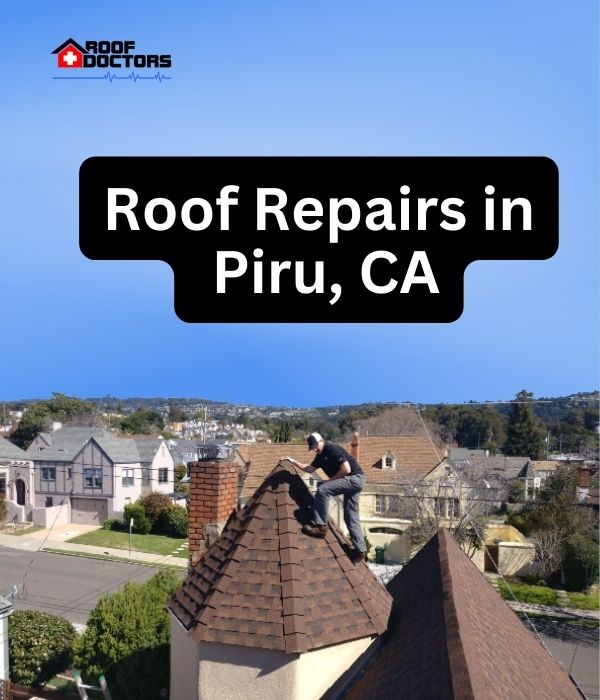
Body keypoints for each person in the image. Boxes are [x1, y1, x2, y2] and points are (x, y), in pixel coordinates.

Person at [285, 432, 367, 563]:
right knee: (350, 516)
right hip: (353, 482)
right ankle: (360, 551)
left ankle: (321, 527)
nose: (315, 449)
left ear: (321, 441)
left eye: (315, 446)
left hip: (355, 478)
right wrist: (293, 461)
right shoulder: (319, 457)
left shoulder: (332, 449)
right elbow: (309, 469)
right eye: (312, 448)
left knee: (323, 489)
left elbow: (346, 469)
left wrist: (330, 481)